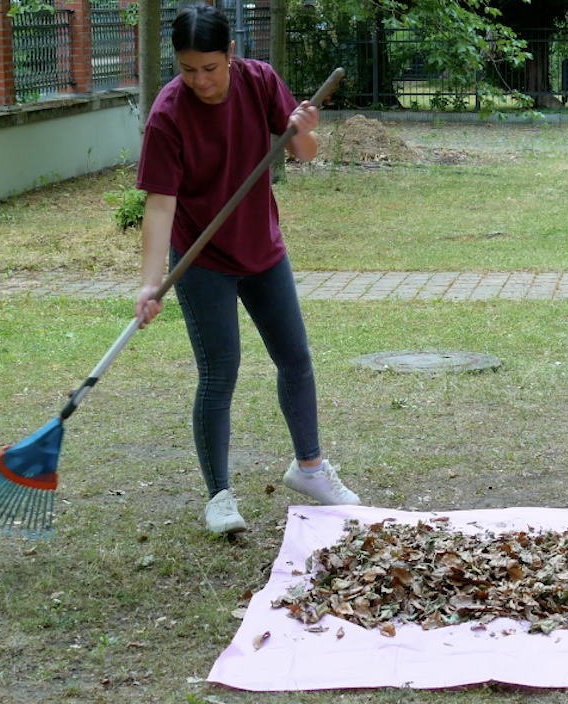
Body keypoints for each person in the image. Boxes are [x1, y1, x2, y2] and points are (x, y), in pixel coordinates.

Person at [134, 4, 359, 535]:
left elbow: (303, 153)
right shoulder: (168, 114)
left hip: (262, 249)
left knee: (296, 359)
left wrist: (304, 128)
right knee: (220, 374)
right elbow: (160, 205)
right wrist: (150, 281)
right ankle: (219, 497)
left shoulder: (259, 82)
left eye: (210, 68)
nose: (200, 81)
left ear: (231, 55)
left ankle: (310, 469)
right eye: (188, 70)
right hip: (202, 259)